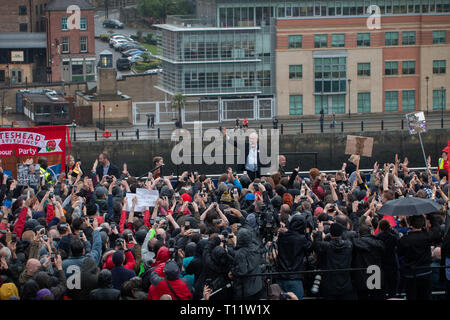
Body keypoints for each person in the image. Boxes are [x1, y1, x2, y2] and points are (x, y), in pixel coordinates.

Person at [398, 214, 441, 300]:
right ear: (422, 224)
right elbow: (436, 228)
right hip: (425, 273)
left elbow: (400, 253)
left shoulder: (404, 239)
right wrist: (430, 215)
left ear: (410, 224)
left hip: (410, 274)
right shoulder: (427, 236)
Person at [312, 223, 356, 300]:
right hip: (345, 283)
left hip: (329, 285)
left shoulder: (327, 246)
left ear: (330, 233)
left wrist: (319, 231)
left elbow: (316, 245)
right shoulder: (349, 245)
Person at [275, 214, 312, 299]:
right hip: (294, 278)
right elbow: (309, 247)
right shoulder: (302, 239)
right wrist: (308, 233)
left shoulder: (282, 235)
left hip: (281, 275)